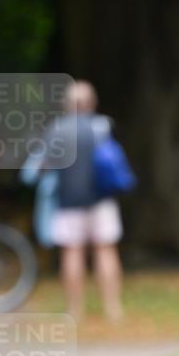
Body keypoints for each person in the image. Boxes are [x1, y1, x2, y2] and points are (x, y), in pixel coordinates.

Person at [44, 81, 125, 321]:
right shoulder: (102, 126)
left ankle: (74, 310)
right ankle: (113, 308)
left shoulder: (56, 130)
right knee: (106, 250)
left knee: (72, 253)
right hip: (102, 199)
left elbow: (46, 166)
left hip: (68, 201)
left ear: (67, 104)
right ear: (92, 103)